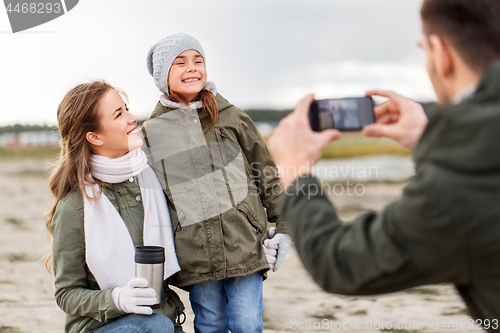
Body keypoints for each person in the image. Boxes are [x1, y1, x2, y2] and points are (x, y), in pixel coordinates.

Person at [268, 0, 500, 330]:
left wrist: (293, 170)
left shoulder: (456, 189)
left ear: (440, 53)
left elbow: (338, 262)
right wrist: (429, 135)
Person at [142, 33, 291, 333]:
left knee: (247, 323)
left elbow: (267, 175)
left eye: (198, 60)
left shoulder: (231, 117)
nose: (192, 68)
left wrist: (284, 226)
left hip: (243, 243)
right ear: (162, 77)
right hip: (194, 251)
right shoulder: (151, 132)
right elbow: (150, 199)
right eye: (180, 63)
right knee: (210, 323)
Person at [46, 81, 186, 333]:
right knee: (154, 326)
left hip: (162, 320)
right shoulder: (74, 207)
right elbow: (66, 294)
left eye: (127, 109)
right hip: (104, 327)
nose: (133, 118)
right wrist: (117, 299)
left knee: (159, 325)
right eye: (119, 114)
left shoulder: (152, 180)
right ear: (95, 136)